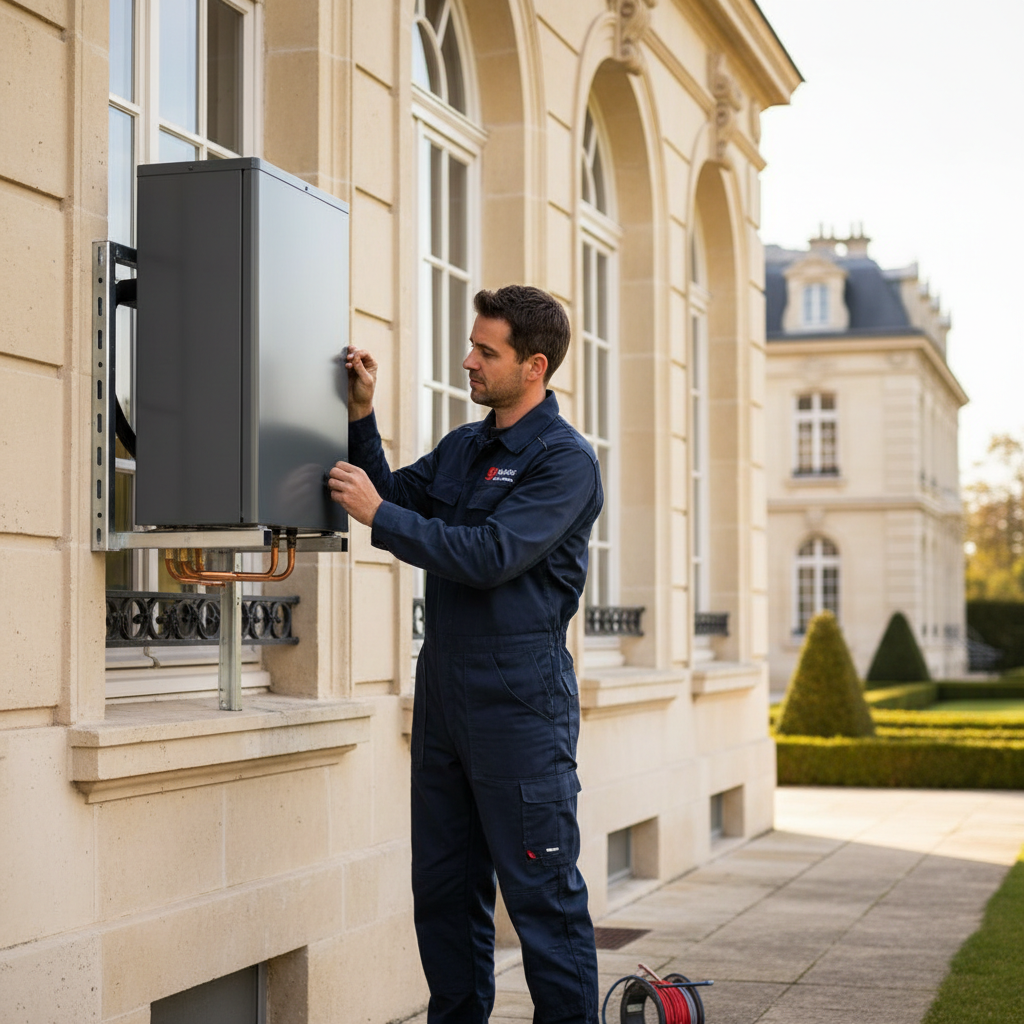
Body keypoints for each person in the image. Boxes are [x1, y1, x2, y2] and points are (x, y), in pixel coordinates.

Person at [328, 284, 602, 1024]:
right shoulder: (465, 447)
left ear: (534, 366)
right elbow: (388, 496)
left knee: (543, 901)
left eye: (486, 351)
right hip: (446, 700)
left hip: (520, 706)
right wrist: (362, 414)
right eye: (472, 345)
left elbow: (489, 555)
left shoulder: (565, 463)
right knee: (445, 893)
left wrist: (381, 514)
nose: (468, 361)